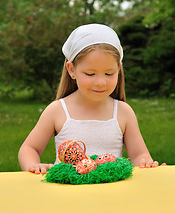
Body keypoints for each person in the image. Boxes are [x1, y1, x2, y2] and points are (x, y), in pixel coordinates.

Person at [18, 23, 165, 174]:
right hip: (66, 194)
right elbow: (29, 149)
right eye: (90, 74)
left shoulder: (123, 112)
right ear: (72, 70)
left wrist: (145, 163)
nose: (101, 82)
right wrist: (34, 166)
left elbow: (139, 155)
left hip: (112, 194)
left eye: (109, 74)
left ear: (119, 69)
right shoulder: (57, 110)